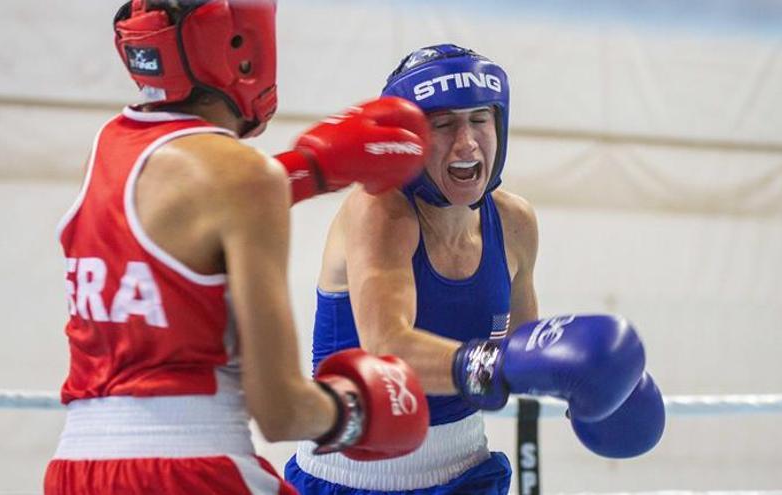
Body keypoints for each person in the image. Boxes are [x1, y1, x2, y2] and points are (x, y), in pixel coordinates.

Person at [44, 1, 433, 494]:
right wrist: (356, 410)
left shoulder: (103, 153)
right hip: (191, 470)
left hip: (75, 470)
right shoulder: (246, 178)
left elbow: (184, 222)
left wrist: (311, 170)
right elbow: (281, 410)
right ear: (240, 48)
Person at [284, 44, 667, 494]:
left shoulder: (515, 222)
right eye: (443, 124)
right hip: (351, 474)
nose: (466, 142)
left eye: (480, 119)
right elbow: (388, 346)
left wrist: (593, 382)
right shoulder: (378, 210)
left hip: (467, 469)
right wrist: (502, 366)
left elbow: (522, 348)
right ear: (411, 140)